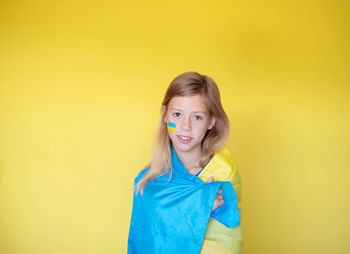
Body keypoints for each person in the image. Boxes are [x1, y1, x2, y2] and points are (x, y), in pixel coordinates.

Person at [127, 71, 243, 254]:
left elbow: (225, 243)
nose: (185, 126)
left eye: (197, 117)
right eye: (177, 114)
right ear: (165, 115)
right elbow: (145, 237)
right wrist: (198, 205)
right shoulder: (148, 179)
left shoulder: (222, 174)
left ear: (211, 121)